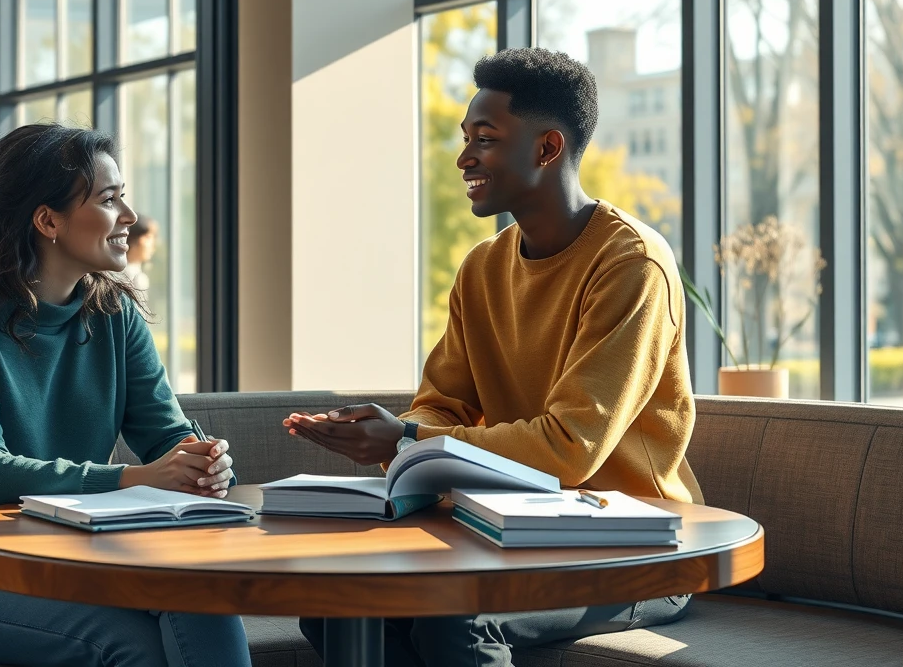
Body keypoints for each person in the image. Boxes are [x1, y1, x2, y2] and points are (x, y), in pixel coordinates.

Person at [285, 48, 703, 667]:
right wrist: (404, 442)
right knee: (339, 604)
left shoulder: (630, 264)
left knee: (458, 617)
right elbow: (440, 404)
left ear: (546, 148)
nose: (464, 157)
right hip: (507, 531)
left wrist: (406, 439)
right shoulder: (483, 267)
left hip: (633, 545)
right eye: (465, 138)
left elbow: (570, 448)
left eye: (486, 138)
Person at [0, 124, 251, 667]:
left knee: (199, 593)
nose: (127, 216)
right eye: (108, 199)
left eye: (123, 196)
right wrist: (137, 477)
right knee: (137, 647)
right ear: (47, 220)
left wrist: (202, 462)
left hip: (72, 557)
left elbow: (165, 434)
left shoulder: (115, 314)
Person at [124, 214, 159, 291]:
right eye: (148, 237)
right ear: (133, 238)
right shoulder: (134, 278)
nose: (153, 244)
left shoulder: (137, 275)